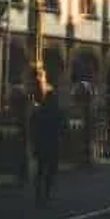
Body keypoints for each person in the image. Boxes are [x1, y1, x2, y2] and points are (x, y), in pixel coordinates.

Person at [30, 71, 67, 207]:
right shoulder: (58, 112)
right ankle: (47, 194)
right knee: (51, 171)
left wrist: (33, 142)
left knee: (40, 170)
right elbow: (64, 128)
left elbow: (32, 126)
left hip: (41, 144)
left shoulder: (39, 112)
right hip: (53, 145)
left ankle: (39, 194)